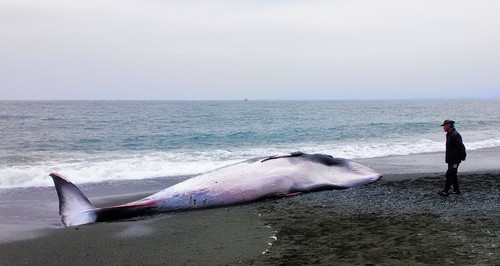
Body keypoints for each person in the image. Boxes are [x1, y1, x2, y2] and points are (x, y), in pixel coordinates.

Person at [438, 119, 467, 197]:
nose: (443, 128)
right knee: (453, 174)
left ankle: (445, 191)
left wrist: (463, 156)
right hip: (451, 158)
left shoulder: (455, 135)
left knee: (449, 174)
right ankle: (456, 190)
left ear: (448, 125)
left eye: (444, 126)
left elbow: (461, 146)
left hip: (455, 159)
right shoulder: (449, 134)